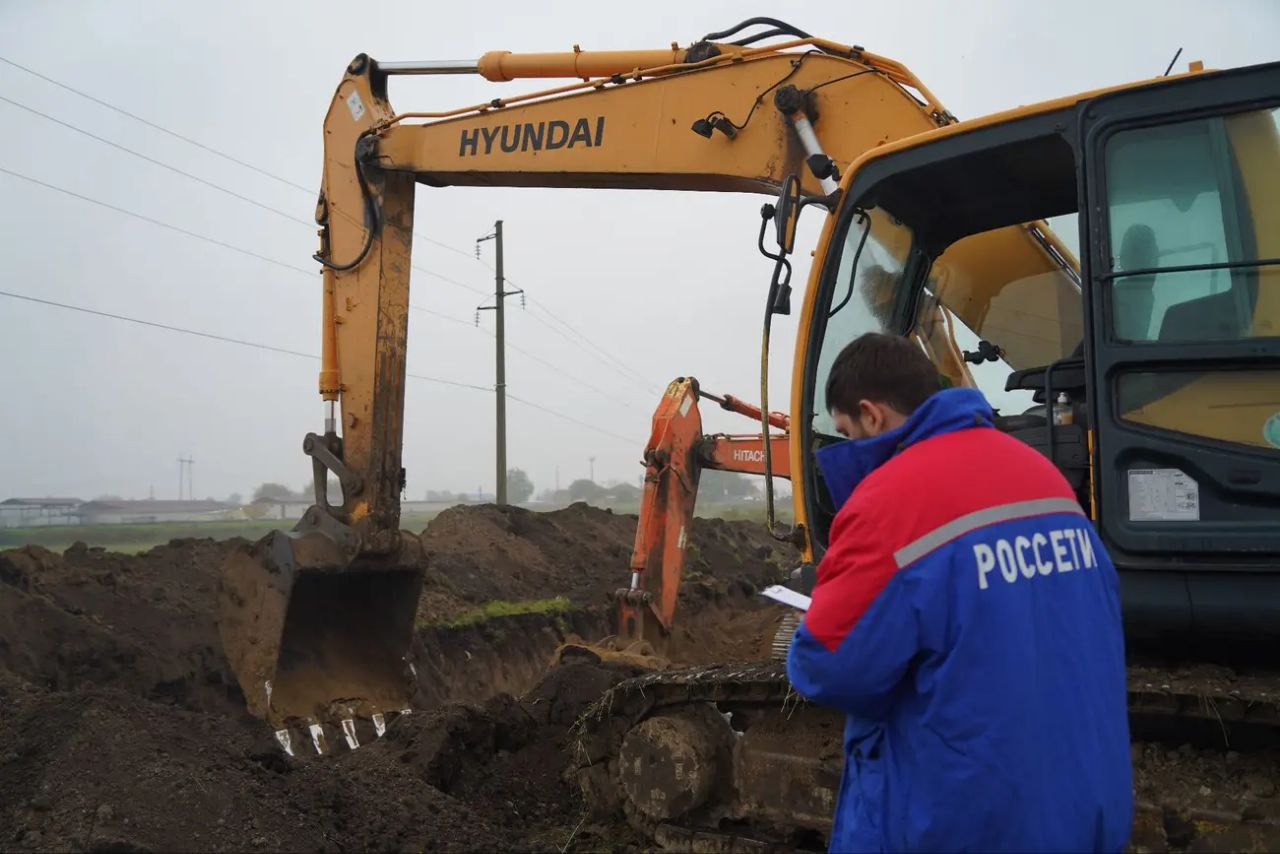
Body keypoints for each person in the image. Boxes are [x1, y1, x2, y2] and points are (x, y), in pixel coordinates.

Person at [787, 332, 1132, 853]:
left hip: (968, 821)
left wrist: (809, 629)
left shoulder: (890, 502)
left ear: (871, 415)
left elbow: (832, 668)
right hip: (1081, 809)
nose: (846, 446)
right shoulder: (1043, 478)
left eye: (845, 432)